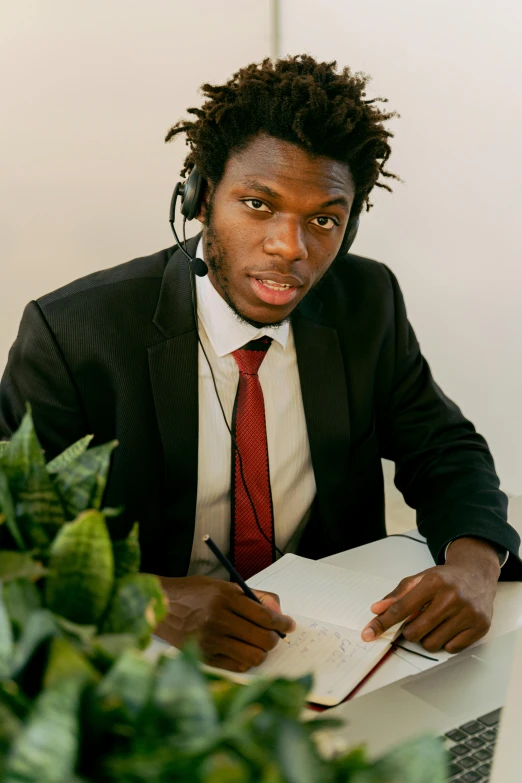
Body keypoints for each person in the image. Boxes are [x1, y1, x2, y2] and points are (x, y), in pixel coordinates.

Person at [1, 55, 520, 674]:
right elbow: (13, 544)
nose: (289, 248)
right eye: (257, 204)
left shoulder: (366, 304)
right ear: (199, 200)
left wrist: (475, 561)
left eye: (324, 219)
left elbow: (445, 449)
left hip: (328, 653)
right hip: (146, 667)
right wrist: (144, 601)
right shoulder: (72, 334)